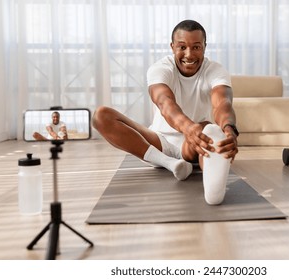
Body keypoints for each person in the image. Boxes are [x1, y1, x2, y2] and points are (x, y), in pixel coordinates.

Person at [92, 20, 239, 205]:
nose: (189, 54)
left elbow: (222, 103)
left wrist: (229, 130)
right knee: (101, 116)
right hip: (159, 141)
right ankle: (169, 163)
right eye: (182, 47)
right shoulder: (160, 68)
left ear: (204, 47)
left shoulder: (216, 70)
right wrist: (188, 128)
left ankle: (212, 182)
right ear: (172, 47)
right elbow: (165, 103)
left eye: (196, 47)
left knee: (208, 129)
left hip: (196, 142)